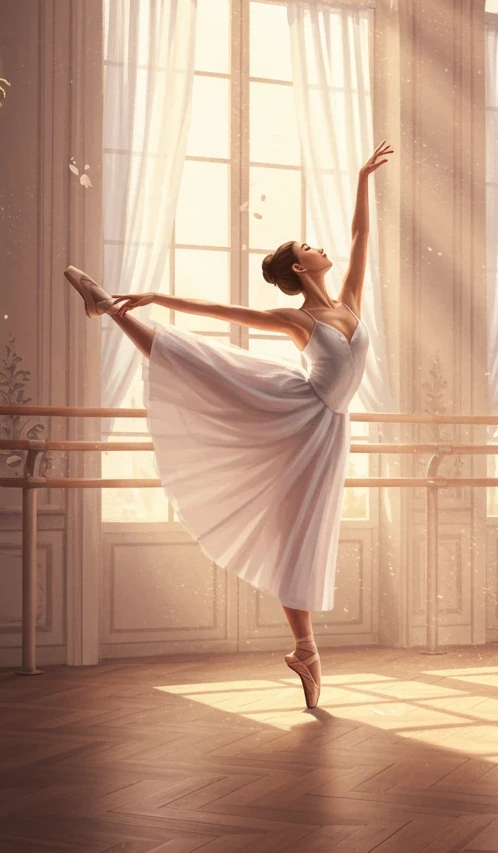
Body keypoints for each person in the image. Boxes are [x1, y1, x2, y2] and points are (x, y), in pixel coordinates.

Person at [64, 141, 393, 708]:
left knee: (307, 533)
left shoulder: (350, 301)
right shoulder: (298, 318)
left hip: (329, 429)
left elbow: (363, 237)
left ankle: (306, 652)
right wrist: (152, 296)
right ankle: (110, 308)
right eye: (310, 246)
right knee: (198, 363)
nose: (322, 247)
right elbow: (219, 312)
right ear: (299, 266)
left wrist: (363, 178)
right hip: (295, 411)